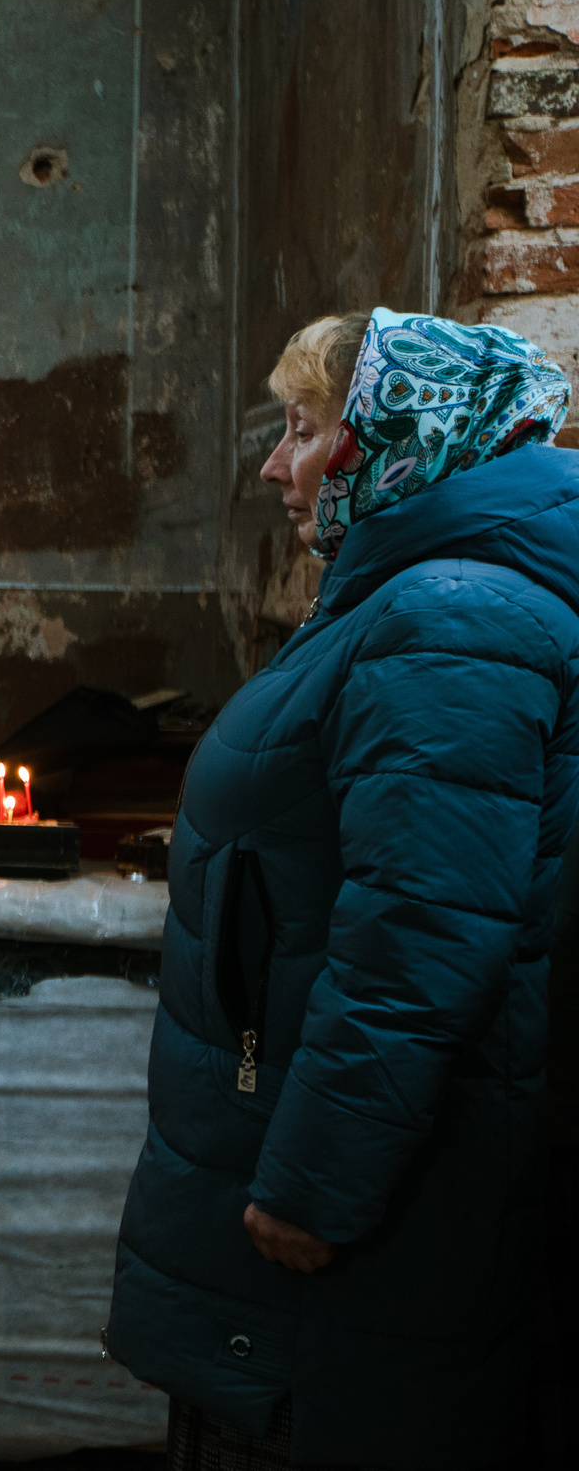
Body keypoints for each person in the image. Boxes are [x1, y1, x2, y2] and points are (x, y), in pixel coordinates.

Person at [106, 309, 579, 1469]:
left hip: (377, 1208)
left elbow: (422, 932)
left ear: (400, 440)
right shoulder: (418, 597)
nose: (276, 464)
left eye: (305, 429)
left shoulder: (452, 617)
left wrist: (316, 1184)